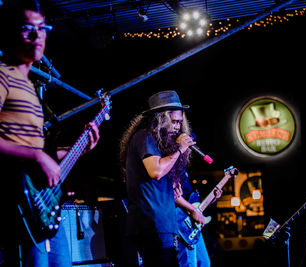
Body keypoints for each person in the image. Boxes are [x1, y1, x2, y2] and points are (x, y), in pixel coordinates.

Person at [0, 0, 100, 266]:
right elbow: (32, 155)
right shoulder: (2, 75)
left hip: (43, 205)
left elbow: (34, 149)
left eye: (42, 28)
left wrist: (76, 149)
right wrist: (36, 158)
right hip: (19, 203)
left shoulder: (30, 87)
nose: (36, 35)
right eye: (26, 28)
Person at [120, 90, 204, 267]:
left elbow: (166, 190)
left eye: (180, 123)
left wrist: (191, 209)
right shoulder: (145, 136)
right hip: (151, 224)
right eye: (173, 122)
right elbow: (156, 171)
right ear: (160, 120)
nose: (177, 128)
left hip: (164, 224)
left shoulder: (161, 147)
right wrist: (180, 149)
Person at [174, 171, 222, 267]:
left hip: (191, 221)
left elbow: (191, 199)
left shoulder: (183, 167)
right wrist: (193, 210)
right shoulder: (172, 162)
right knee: (190, 263)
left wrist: (210, 199)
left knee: (204, 263)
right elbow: (173, 195)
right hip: (181, 222)